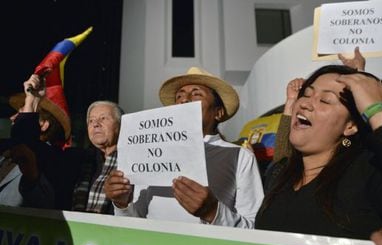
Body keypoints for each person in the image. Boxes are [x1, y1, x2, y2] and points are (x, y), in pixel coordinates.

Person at [255, 64, 382, 245]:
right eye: (306, 94)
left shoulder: (368, 173)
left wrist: (376, 109)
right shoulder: (278, 173)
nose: (305, 104)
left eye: (325, 100)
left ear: (350, 126)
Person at [105, 67, 264, 228]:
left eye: (196, 94)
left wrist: (213, 212)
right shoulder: (152, 152)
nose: (184, 100)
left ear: (218, 112)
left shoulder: (240, 156)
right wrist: (121, 203)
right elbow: (135, 221)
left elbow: (254, 227)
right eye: (179, 96)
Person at [9, 75, 123, 213]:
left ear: (121, 125)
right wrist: (32, 100)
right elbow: (25, 147)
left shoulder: (133, 164)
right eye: (91, 121)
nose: (96, 124)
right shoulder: (72, 159)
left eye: (103, 118)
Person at [0, 74, 69, 207]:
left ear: (44, 125)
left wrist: (32, 100)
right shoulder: (5, 152)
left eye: (22, 113)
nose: (13, 118)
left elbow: (25, 139)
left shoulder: (48, 156)